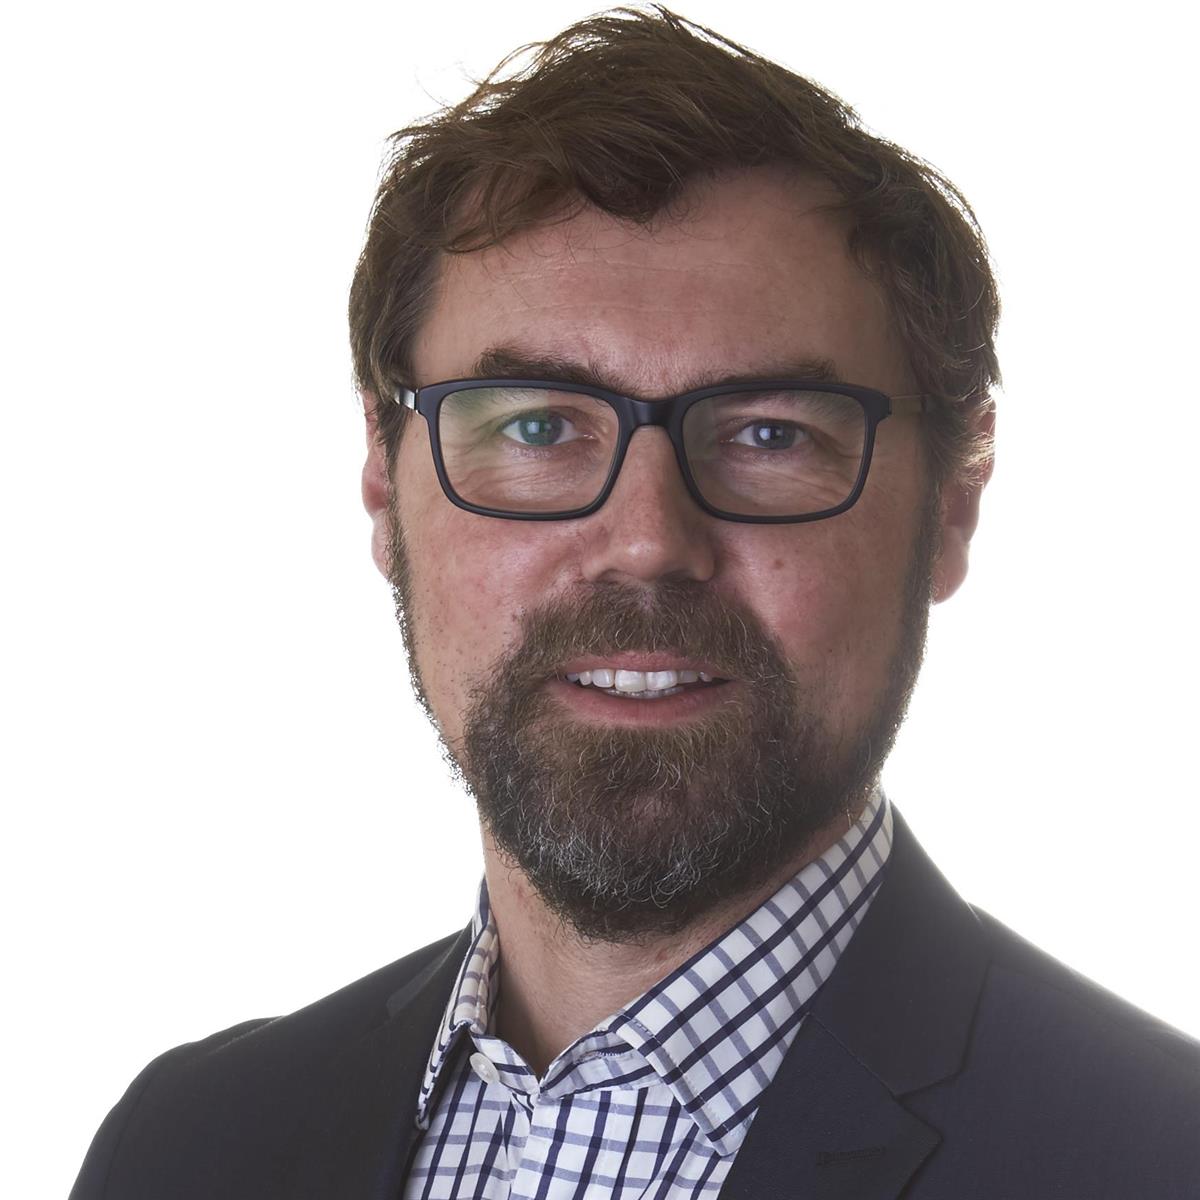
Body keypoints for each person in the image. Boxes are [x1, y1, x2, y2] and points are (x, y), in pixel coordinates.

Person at [70, 7, 1199, 1198]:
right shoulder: (186, 1148)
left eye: (769, 435)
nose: (649, 542)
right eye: (537, 427)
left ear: (952, 506)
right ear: (382, 485)